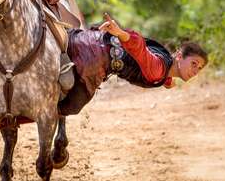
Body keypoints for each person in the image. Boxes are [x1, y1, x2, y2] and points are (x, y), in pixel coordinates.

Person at [58, 13, 208, 116]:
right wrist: (122, 33)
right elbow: (140, 50)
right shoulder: (158, 69)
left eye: (199, 68)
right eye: (194, 64)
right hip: (91, 56)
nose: (195, 71)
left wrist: (167, 81)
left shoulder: (165, 66)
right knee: (71, 107)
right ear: (180, 56)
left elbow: (154, 64)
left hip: (93, 44)